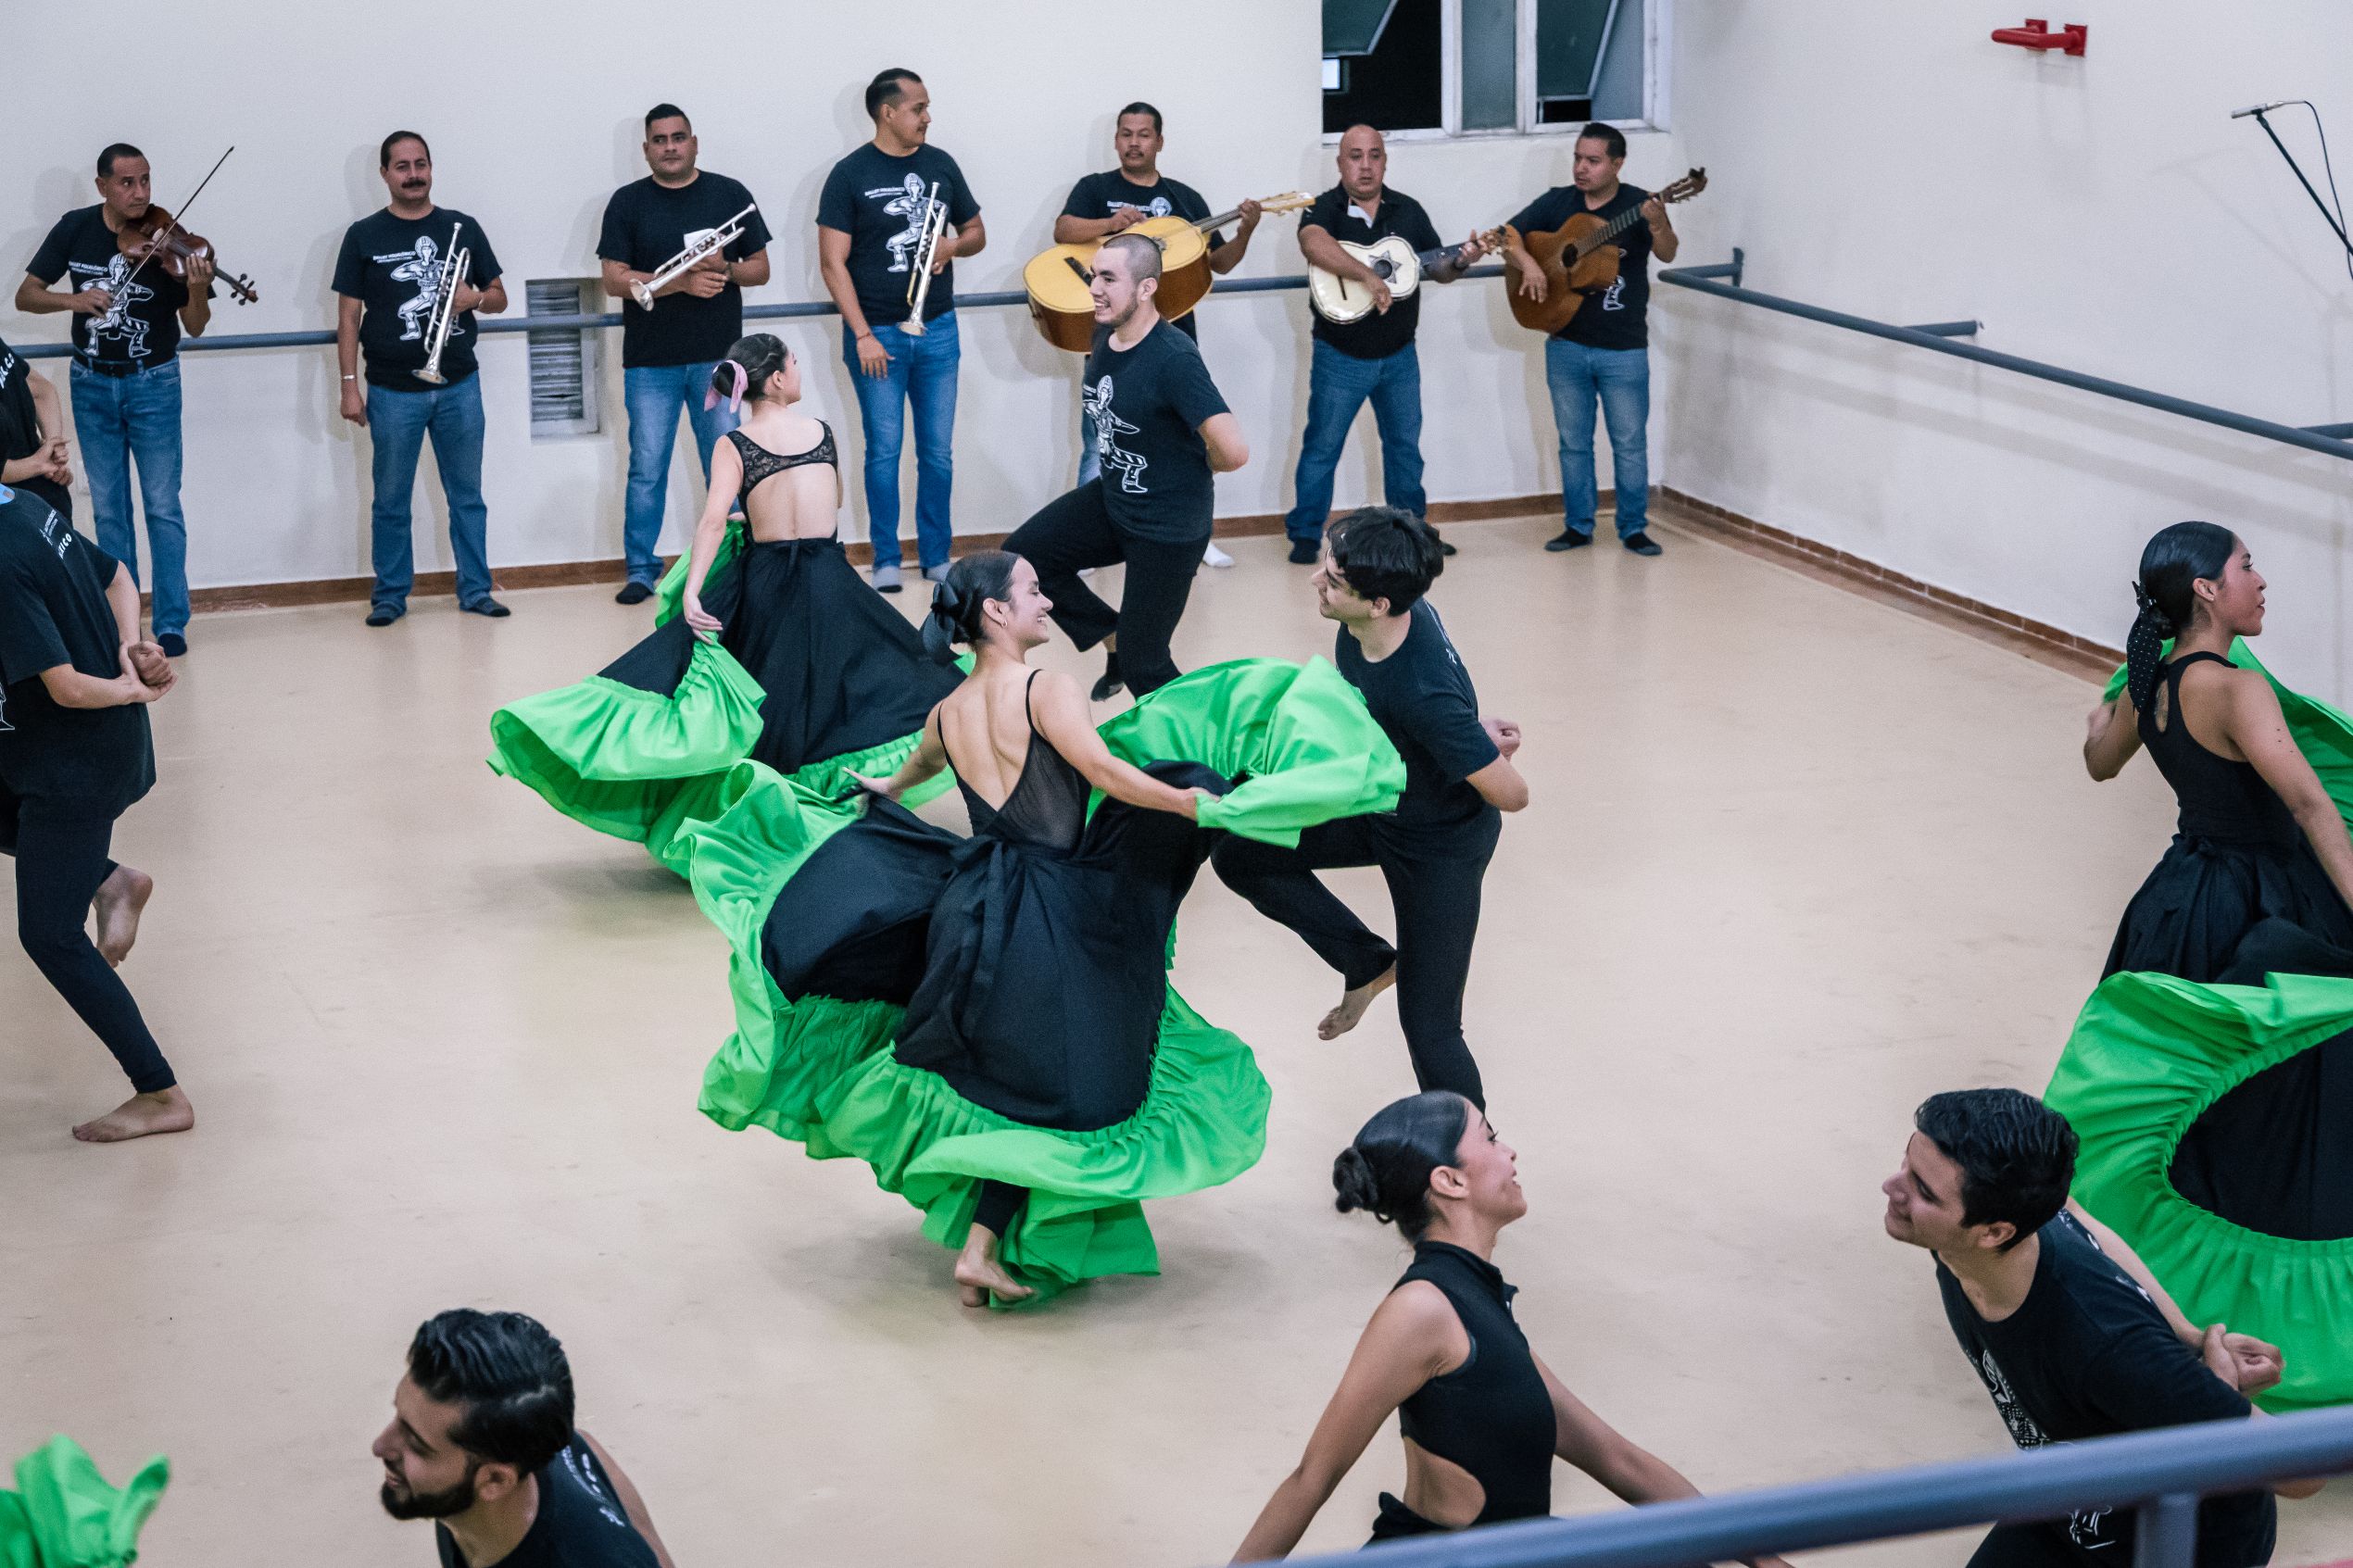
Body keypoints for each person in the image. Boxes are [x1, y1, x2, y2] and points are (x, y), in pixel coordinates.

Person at [686, 553, 1401, 1306]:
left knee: (1023, 1087)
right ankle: (1351, 933)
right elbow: (1105, 774)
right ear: (997, 612)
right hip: (1059, 905)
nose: (1048, 604)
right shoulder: (1047, 688)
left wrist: (881, 786)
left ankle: (981, 1249)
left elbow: (911, 772)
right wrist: (1197, 807)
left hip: (979, 908)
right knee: (1191, 784)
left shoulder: (947, 711)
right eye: (1032, 592)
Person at [1234, 1091, 1792, 1559]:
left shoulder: (1479, 1307)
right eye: (1491, 1138)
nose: (1510, 1151)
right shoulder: (1422, 1309)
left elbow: (1617, 1459)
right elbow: (1311, 1479)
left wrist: (1763, 1557)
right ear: (1450, 1181)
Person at [489, 333, 963, 870]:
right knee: (845, 687)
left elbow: (714, 520)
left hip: (769, 584)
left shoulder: (735, 443)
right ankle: (839, 800)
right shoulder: (822, 431)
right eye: (795, 362)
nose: (799, 370)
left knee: (769, 698)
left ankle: (768, 810)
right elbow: (828, 504)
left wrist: (694, 588)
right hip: (830, 580)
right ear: (778, 379)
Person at [1884, 1088, 2322, 1567]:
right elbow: (2076, 1215)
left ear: (1994, 1232)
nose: (1893, 1187)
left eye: (1923, 1190)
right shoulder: (2004, 1228)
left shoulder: (2112, 1349)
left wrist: (2210, 1392)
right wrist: (2187, 1335)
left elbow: (2303, 1471)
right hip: (2068, 1502)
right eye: (1908, 1163)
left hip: (2175, 1547)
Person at [1213, 508, 1524, 1108]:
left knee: (1431, 1027)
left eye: (1332, 581)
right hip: (1382, 808)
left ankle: (1471, 1152)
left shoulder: (1421, 692)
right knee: (1241, 852)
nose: (1316, 582)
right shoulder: (1379, 621)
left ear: (1379, 604)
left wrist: (1474, 748)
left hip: (1440, 845)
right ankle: (1366, 962)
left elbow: (1513, 795)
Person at [0, 482, 189, 1144]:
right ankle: (110, 880)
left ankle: (159, 1092)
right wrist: (129, 647)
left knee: (49, 934)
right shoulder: (23, 506)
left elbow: (68, 688)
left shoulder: (3, 555)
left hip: (76, 764)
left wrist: (128, 685)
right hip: (46, 746)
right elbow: (118, 577)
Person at [2084, 521, 2353, 981]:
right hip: (2264, 896)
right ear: (2206, 588)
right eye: (2246, 566)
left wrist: (2098, 726)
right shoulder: (2238, 689)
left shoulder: (2142, 687)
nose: (2260, 580)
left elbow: (2100, 764)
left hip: (2186, 896)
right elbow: (2308, 805)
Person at [1002, 233, 1248, 702]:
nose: (1094, 288)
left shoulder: (1173, 358)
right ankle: (1112, 637)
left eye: (1109, 278)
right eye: (1094, 275)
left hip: (1168, 527)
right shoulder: (1104, 335)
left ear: (1146, 288)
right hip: (1115, 501)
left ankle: (1201, 740)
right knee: (1026, 558)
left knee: (1144, 661)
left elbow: (1234, 451)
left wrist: (1190, 471)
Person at [17, 144, 215, 657]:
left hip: (155, 382)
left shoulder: (171, 239)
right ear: (102, 185)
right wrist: (75, 299)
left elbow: (195, 326)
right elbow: (27, 295)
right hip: (91, 382)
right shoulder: (75, 227)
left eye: (146, 180)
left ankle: (171, 624)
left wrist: (197, 289)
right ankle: (123, 626)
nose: (140, 193)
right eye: (127, 183)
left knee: (163, 506)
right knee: (108, 510)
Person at [1055, 100, 1263, 566]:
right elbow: (1063, 230)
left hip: (1172, 342)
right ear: (1116, 140)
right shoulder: (1095, 189)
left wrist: (1246, 232)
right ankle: (1085, 541)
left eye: (1144, 134)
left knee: (1185, 441)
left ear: (1160, 142)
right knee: (1102, 441)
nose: (1134, 143)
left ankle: (1194, 532)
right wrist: (1111, 224)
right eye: (1126, 133)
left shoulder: (1185, 200)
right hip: (1111, 342)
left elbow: (1219, 263)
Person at [1283, 125, 1486, 567]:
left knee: (1404, 449)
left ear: (1385, 161)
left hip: (1399, 355)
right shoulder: (1324, 208)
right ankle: (1305, 536)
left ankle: (1414, 536)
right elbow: (1313, 243)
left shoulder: (1408, 210)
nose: (1365, 165)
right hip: (1339, 355)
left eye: (1374, 155)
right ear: (1340, 163)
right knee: (1322, 448)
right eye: (1355, 156)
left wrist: (1462, 260)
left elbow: (1436, 267)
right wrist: (1367, 276)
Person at [818, 69, 985, 594]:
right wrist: (862, 334)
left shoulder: (942, 165)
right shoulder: (849, 174)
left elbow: (976, 231)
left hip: (938, 327)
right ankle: (886, 557)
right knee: (884, 451)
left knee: (937, 452)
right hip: (877, 335)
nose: (927, 117)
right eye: (918, 108)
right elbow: (832, 262)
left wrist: (952, 246)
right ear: (888, 113)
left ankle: (936, 555)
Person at [333, 131, 510, 627]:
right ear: (385, 174)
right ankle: (390, 595)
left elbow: (499, 297)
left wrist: (473, 299)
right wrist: (349, 384)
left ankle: (476, 590)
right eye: (402, 166)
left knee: (467, 498)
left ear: (431, 168)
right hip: (392, 390)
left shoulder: (463, 227)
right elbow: (348, 316)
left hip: (459, 385)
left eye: (420, 164)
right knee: (391, 500)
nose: (413, 175)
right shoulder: (364, 235)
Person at [598, 103, 773, 605]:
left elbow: (760, 269)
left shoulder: (729, 194)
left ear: (694, 143)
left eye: (678, 138)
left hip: (719, 361)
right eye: (660, 140)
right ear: (646, 149)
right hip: (650, 362)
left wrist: (724, 268)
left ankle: (737, 565)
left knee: (727, 468)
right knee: (647, 468)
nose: (670, 147)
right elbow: (613, 280)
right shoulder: (627, 203)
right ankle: (640, 571)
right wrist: (679, 282)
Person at [373, 1309, 672, 1568]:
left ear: (495, 1481)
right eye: (399, 1416)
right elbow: (584, 1445)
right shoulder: (536, 1445)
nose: (380, 1446)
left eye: (417, 1446)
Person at [1504, 122, 1678, 558]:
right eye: (1578, 158)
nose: (1581, 168)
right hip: (1565, 342)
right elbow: (1508, 234)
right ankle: (1578, 526)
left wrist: (1659, 224)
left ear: (1617, 164)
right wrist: (1529, 264)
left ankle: (1633, 528)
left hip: (1624, 347)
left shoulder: (1640, 204)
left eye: (1593, 161)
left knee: (1629, 443)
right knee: (1573, 443)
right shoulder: (1557, 201)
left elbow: (1668, 252)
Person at [0, 333, 74, 519]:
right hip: (11, 512)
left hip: (47, 496)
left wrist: (53, 447)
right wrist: (38, 464)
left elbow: (41, 390)